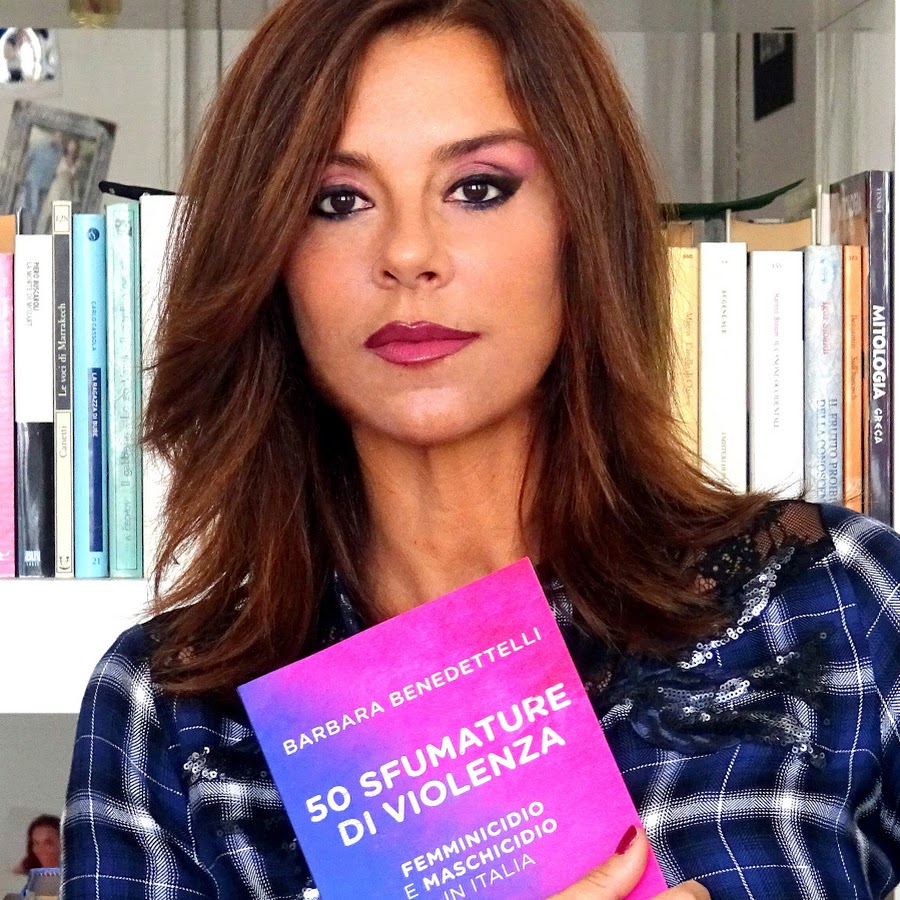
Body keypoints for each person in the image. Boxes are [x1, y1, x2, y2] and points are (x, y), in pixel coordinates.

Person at [59, 0, 900, 898]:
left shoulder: (838, 597)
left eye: (478, 188)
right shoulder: (171, 711)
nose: (408, 253)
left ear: (583, 225)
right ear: (271, 260)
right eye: (337, 201)